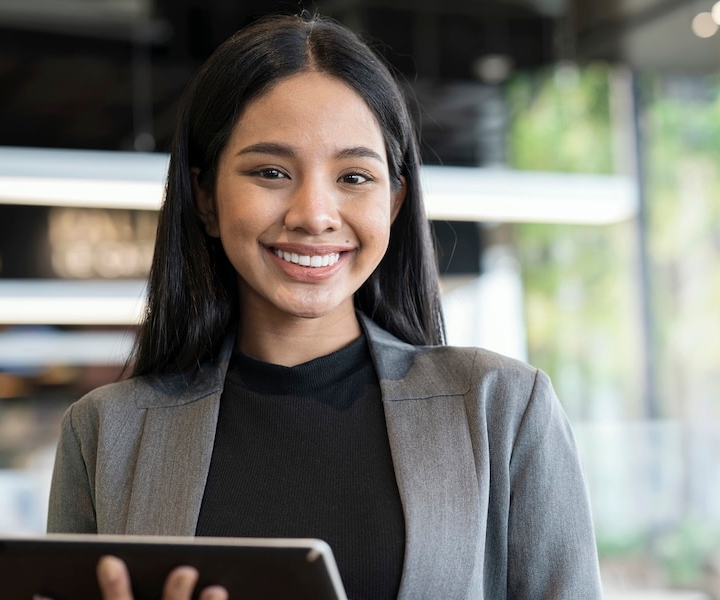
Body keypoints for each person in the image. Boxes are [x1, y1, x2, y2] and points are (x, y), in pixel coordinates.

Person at [45, 12, 603, 600]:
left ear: (393, 203)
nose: (314, 213)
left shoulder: (501, 409)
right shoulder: (106, 433)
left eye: (355, 177)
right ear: (205, 199)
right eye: (271, 171)